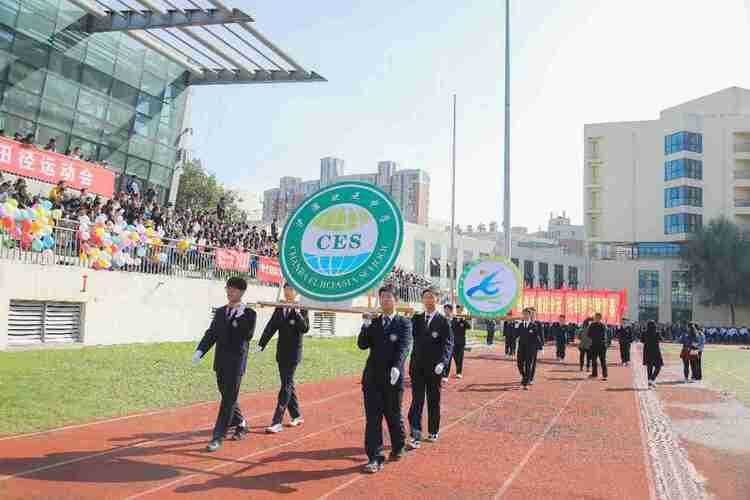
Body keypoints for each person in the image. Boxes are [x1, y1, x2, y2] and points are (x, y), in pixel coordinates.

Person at [192, 277, 256, 452]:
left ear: (242, 292)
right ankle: (241, 423)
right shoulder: (221, 312)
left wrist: (240, 316)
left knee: (227, 400)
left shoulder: (249, 313)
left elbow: (248, 335)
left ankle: (217, 437)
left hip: (236, 364)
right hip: (220, 362)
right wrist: (200, 351)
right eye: (228, 288)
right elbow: (212, 333)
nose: (230, 292)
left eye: (234, 289)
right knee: (227, 396)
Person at [358, 285, 412, 473]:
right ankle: (374, 457)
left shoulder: (403, 323)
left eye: (389, 297)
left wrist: (397, 367)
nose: (385, 300)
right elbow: (362, 345)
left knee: (393, 416)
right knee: (373, 418)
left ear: (395, 300)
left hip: (392, 378)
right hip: (372, 378)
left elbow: (404, 347)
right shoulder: (374, 321)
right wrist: (365, 325)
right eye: (382, 297)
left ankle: (398, 446)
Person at [257, 283, 310, 433]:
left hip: (294, 354)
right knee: (288, 383)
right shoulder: (279, 307)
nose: (287, 292)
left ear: (296, 292)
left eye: (291, 289)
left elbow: (305, 328)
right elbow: (271, 327)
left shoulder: (302, 307)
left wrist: (296, 311)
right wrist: (261, 344)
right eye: (286, 289)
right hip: (281, 352)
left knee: (285, 386)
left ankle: (277, 421)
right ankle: (297, 415)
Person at [407, 287, 453, 449]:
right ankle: (415, 434)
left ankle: (433, 430)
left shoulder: (443, 321)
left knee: (433, 400)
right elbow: (407, 336)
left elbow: (448, 344)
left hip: (434, 369)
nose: (428, 300)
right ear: (422, 300)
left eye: (431, 297)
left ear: (437, 300)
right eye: (425, 297)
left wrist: (443, 362)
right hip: (417, 367)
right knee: (417, 400)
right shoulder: (416, 318)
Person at [516, 307, 542, 389]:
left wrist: (540, 347)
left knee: (528, 365)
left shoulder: (534, 325)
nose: (525, 316)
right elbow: (515, 335)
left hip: (531, 348)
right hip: (521, 348)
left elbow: (537, 336)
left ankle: (525, 383)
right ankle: (524, 376)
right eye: (524, 314)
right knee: (519, 364)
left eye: (527, 314)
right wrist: (515, 327)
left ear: (530, 315)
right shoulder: (520, 324)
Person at [445, 304, 470, 379]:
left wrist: (463, 319)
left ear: (462, 310)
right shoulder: (453, 319)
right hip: (452, 343)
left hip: (460, 343)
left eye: (461, 309)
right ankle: (446, 374)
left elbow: (469, 327)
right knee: (448, 358)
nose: (459, 310)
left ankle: (459, 372)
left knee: (459, 358)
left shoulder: (464, 319)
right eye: (458, 309)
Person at [642, 320, 663, 389]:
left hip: (647, 352)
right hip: (656, 352)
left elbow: (642, 340)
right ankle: (652, 379)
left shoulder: (644, 333)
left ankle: (650, 383)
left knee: (649, 368)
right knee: (658, 366)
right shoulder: (657, 333)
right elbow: (661, 339)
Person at [588, 313, 608, 380]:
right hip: (594, 345)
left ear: (600, 318)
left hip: (601, 345)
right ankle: (594, 374)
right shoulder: (592, 325)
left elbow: (604, 336)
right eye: (595, 317)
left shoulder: (602, 325)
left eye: (597, 317)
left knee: (602, 360)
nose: (596, 318)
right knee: (594, 360)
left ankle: (605, 375)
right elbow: (589, 334)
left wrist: (594, 338)